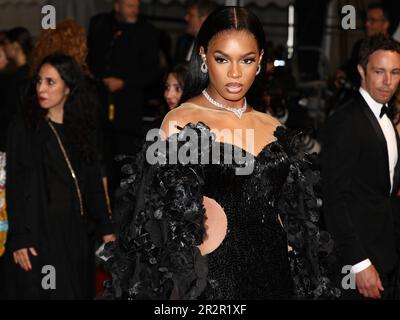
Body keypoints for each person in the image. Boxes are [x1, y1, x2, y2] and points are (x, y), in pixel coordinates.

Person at [101, 6, 339, 300]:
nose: (235, 73)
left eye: (247, 60)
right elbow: (154, 226)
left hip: (276, 275)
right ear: (203, 56)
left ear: (261, 60)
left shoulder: (272, 126)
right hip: (216, 280)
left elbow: (288, 214)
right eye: (222, 59)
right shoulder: (181, 122)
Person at [4, 53, 115, 299]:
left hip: (76, 231)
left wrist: (107, 228)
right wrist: (19, 238)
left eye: (50, 82)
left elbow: (94, 184)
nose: (41, 88)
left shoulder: (82, 127)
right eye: (39, 81)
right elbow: (15, 185)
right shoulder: (24, 127)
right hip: (39, 231)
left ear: (68, 87)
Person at [322, 34, 400, 300]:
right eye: (379, 71)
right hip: (358, 262)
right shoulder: (345, 121)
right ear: (361, 71)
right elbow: (334, 200)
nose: (388, 81)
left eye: (395, 72)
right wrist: (359, 263)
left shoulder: (387, 117)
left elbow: (383, 191)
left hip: (386, 254)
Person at [87, 0, 160, 198]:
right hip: (100, 104)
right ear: (117, 5)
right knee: (101, 159)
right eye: (129, 5)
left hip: (129, 109)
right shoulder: (100, 24)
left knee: (124, 162)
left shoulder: (146, 31)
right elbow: (91, 58)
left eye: (136, 5)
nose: (134, 10)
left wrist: (125, 83)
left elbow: (153, 71)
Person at [174, 0, 219, 64]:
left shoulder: (216, 47)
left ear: (203, 20)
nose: (186, 18)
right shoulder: (184, 42)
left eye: (190, 15)